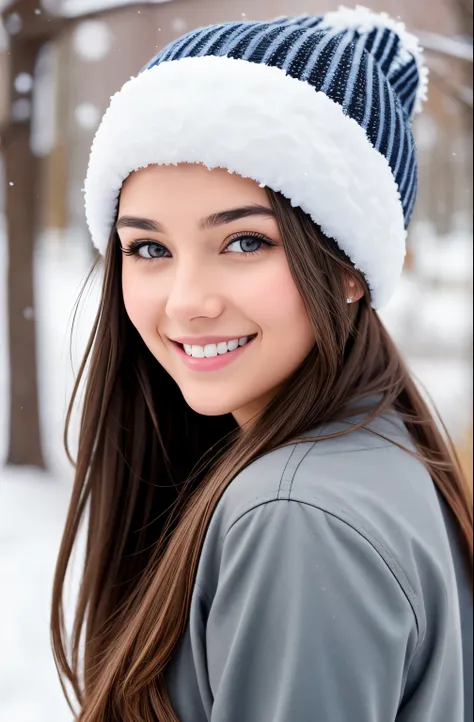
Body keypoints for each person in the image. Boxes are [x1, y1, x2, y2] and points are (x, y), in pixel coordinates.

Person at [51, 7, 473, 722]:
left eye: (245, 242)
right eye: (149, 248)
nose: (186, 303)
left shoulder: (298, 519)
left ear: (349, 268)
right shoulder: (372, 447)